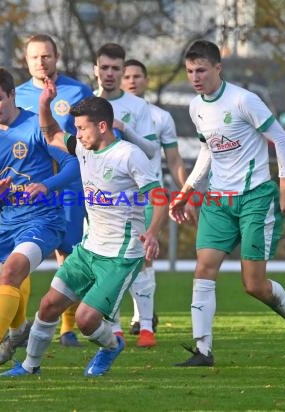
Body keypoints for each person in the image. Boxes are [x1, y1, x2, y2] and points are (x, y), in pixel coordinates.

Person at [0, 79, 167, 378]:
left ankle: (111, 346)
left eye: (82, 129)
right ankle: (29, 366)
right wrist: (44, 103)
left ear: (102, 126)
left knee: (87, 320)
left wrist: (152, 232)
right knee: (49, 305)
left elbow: (159, 197)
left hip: (120, 255)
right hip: (89, 249)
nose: (78, 135)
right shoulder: (83, 148)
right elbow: (51, 133)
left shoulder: (128, 155)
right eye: (76, 129)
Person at [169, 40, 285, 367]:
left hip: (255, 199)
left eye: (201, 70)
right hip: (218, 201)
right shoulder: (196, 107)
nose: (195, 77)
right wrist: (189, 190)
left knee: (254, 285)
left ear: (218, 68)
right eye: (190, 71)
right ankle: (203, 350)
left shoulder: (244, 100)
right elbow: (208, 150)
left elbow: (281, 138)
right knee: (204, 268)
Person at [0, 66, 79, 372]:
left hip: (44, 220)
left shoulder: (37, 126)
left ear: (12, 95)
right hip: (9, 223)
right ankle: (18, 332)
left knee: (12, 272)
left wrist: (45, 185)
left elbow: (71, 164)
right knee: (1, 289)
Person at [11, 33, 94, 349]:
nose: (40, 61)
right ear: (26, 60)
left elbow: (87, 139)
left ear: (56, 57)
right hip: (30, 187)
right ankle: (18, 323)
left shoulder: (77, 91)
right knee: (23, 250)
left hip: (70, 185)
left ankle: (67, 326)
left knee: (68, 252)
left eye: (46, 56)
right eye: (34, 57)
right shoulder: (15, 96)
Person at [93, 43, 160, 341]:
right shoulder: (87, 104)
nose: (109, 73)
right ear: (95, 69)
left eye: (115, 68)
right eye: (104, 67)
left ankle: (146, 327)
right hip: (99, 198)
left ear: (122, 71)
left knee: (142, 258)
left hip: (134, 197)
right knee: (105, 260)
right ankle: (115, 327)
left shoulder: (137, 106)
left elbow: (151, 148)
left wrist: (125, 130)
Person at [120, 58, 188, 347]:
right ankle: (122, 323)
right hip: (116, 197)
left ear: (147, 81)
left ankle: (145, 326)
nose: (132, 81)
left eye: (138, 76)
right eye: (127, 76)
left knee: (145, 256)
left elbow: (173, 159)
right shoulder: (105, 113)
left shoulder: (160, 117)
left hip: (149, 195)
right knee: (114, 258)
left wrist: (186, 192)